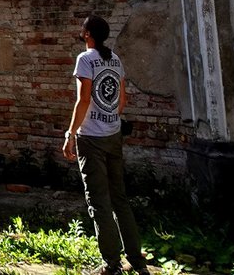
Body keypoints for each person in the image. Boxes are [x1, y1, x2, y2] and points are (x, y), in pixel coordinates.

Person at [62, 14, 149, 275]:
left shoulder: (85, 59)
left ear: (88, 34)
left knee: (99, 202)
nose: (81, 31)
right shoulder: (114, 59)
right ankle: (137, 260)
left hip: (91, 138)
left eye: (83, 28)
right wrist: (111, 118)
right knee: (120, 200)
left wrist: (70, 133)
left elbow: (84, 99)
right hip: (113, 135)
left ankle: (111, 264)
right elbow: (122, 99)